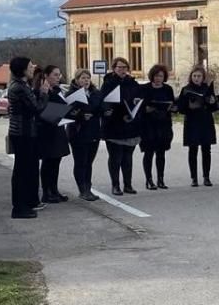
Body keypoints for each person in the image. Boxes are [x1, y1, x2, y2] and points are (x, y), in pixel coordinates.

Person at [8, 56, 48, 219]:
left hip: (27, 132)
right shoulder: (19, 87)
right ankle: (19, 207)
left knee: (30, 168)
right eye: (30, 66)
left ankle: (30, 202)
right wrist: (44, 94)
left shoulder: (23, 85)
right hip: (22, 133)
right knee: (22, 171)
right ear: (23, 70)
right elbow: (36, 108)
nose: (33, 68)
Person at [100, 57, 142, 196]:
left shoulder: (132, 83)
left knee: (128, 157)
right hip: (114, 125)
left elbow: (139, 98)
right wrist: (117, 114)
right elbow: (105, 103)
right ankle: (115, 185)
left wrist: (136, 103)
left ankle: (128, 185)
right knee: (115, 157)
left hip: (130, 124)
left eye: (125, 67)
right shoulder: (108, 83)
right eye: (119, 67)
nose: (122, 70)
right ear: (114, 68)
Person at [176, 66, 218, 187]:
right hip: (192, 122)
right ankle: (194, 178)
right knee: (193, 150)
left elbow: (214, 107)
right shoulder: (186, 89)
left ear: (203, 77)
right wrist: (188, 106)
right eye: (194, 76)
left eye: (199, 76)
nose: (196, 78)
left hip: (205, 121)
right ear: (191, 77)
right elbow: (180, 108)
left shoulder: (207, 89)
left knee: (206, 150)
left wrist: (212, 102)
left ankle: (206, 177)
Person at [37, 65, 71, 205]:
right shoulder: (41, 91)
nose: (58, 77)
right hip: (46, 130)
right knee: (48, 162)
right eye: (55, 75)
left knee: (56, 161)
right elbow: (40, 108)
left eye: (59, 75)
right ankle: (46, 193)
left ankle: (54, 190)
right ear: (46, 76)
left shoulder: (57, 90)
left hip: (58, 128)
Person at [68, 69, 102, 202]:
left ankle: (88, 188)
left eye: (88, 78)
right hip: (78, 132)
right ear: (77, 80)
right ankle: (82, 190)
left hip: (93, 131)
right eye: (83, 78)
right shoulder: (71, 94)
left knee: (89, 163)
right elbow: (68, 112)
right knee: (80, 162)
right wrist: (81, 116)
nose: (86, 80)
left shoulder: (95, 93)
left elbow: (99, 108)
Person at [139, 64, 175, 190]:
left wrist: (172, 108)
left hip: (163, 124)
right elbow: (139, 106)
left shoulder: (168, 89)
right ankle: (149, 180)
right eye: (156, 76)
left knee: (161, 153)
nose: (158, 78)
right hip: (148, 124)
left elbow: (172, 104)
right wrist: (145, 109)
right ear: (152, 76)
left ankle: (160, 179)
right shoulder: (144, 88)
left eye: (160, 76)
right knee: (148, 153)